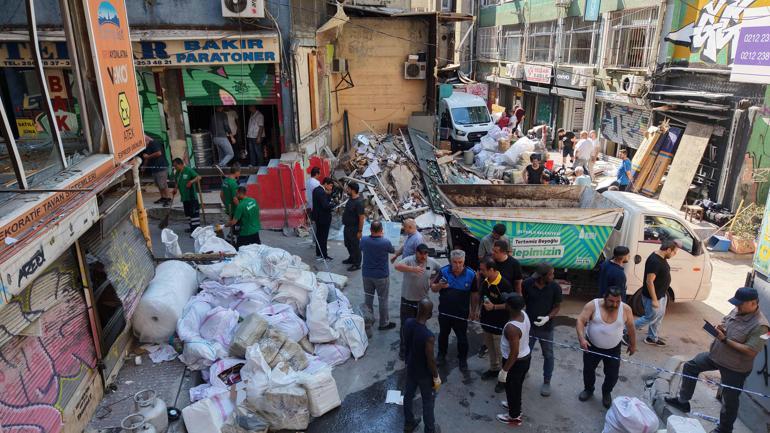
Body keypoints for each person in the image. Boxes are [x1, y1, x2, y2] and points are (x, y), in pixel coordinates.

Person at [665, 287, 769, 433]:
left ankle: (724, 429)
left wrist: (725, 339)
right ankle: (683, 401)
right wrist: (721, 327)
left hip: (735, 368)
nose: (736, 307)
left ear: (753, 303)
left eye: (740, 304)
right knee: (691, 366)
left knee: (729, 400)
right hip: (717, 356)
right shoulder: (738, 310)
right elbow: (726, 321)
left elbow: (751, 351)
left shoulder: (762, 326)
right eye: (736, 303)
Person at [576, 287, 637, 408]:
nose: (614, 305)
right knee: (588, 371)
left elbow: (631, 327)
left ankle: (606, 392)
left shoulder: (625, 309)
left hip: (613, 348)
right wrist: (581, 339)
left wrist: (633, 344)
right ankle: (588, 389)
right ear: (605, 298)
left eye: (617, 302)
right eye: (611, 301)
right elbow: (580, 320)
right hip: (592, 346)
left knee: (612, 374)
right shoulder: (593, 305)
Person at [432, 250, 478, 371]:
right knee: (443, 335)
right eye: (455, 262)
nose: (457, 265)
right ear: (450, 261)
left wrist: (473, 311)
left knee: (462, 338)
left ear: (464, 261)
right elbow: (433, 288)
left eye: (460, 262)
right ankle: (441, 355)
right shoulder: (443, 271)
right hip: (444, 313)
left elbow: (474, 294)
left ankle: (462, 359)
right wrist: (440, 286)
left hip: (461, 314)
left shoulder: (471, 274)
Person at [522, 263, 562, 397]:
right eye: (551, 274)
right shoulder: (527, 284)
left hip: (546, 328)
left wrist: (548, 317)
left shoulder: (555, 287)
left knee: (548, 355)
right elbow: (522, 301)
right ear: (542, 276)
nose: (553, 276)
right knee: (525, 353)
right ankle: (523, 372)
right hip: (529, 327)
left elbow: (557, 306)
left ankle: (546, 381)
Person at [395, 244, 441, 360]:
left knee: (421, 326)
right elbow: (397, 266)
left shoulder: (431, 262)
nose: (424, 256)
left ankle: (418, 347)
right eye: (421, 253)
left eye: (426, 253)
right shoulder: (409, 260)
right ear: (416, 252)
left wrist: (433, 280)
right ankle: (404, 349)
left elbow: (441, 271)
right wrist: (412, 269)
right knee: (405, 326)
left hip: (423, 301)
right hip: (407, 299)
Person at [403, 298, 441, 433]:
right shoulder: (428, 336)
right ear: (430, 315)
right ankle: (430, 430)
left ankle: (409, 423)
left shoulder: (408, 323)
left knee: (408, 395)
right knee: (428, 401)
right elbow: (430, 360)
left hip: (411, 368)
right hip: (424, 374)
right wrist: (436, 376)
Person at [478, 257, 515, 392]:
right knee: (491, 349)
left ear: (492, 269)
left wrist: (494, 307)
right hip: (486, 323)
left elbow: (510, 305)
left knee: (501, 353)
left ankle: (504, 379)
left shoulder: (504, 285)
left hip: (500, 325)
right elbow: (482, 297)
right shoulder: (485, 282)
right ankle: (494, 369)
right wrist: (478, 311)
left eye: (483, 270)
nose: (480, 272)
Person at [634, 239, 680, 346]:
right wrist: (654, 300)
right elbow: (649, 281)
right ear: (668, 250)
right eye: (674, 252)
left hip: (661, 295)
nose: (674, 255)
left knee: (658, 318)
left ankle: (652, 337)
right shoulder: (655, 261)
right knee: (649, 317)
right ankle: (624, 331)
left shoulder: (661, 256)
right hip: (653, 297)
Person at [496, 293, 531, 427]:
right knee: (515, 387)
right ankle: (514, 406)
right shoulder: (523, 313)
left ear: (509, 307)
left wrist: (505, 370)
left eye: (506, 303)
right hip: (525, 357)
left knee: (512, 388)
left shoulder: (511, 328)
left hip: (515, 362)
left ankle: (514, 417)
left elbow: (514, 352)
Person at [360, 220, 396, 331]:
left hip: (367, 274)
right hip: (381, 275)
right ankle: (383, 323)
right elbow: (392, 250)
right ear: (381, 230)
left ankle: (369, 322)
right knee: (383, 299)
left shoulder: (364, 240)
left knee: (368, 299)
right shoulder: (385, 242)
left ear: (370, 230)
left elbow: (361, 248)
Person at [172, 158, 201, 233]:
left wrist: (191, 181)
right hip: (184, 197)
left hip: (191, 196)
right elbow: (177, 182)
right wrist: (175, 189)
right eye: (174, 166)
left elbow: (198, 177)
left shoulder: (188, 170)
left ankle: (196, 230)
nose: (175, 167)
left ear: (180, 164)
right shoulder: (177, 173)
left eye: (176, 166)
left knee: (194, 213)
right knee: (188, 213)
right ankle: (192, 228)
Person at [142, 134, 171, 206]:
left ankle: (168, 198)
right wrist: (144, 166)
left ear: (146, 139)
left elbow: (159, 153)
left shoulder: (153, 143)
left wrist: (148, 156)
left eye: (144, 142)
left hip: (161, 167)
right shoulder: (148, 146)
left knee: (163, 184)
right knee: (158, 184)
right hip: (154, 168)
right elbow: (146, 157)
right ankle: (163, 197)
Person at [342, 182, 366, 271]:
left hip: (354, 228)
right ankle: (351, 258)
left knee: (355, 246)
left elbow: (361, 218)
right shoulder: (350, 199)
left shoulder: (359, 202)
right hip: (347, 227)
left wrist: (360, 231)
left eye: (348, 189)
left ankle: (357, 264)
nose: (347, 190)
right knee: (348, 244)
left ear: (352, 190)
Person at [312, 177, 334, 261]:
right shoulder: (322, 192)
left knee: (319, 235)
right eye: (330, 185)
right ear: (325, 184)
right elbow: (325, 205)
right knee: (323, 237)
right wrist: (333, 204)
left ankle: (319, 252)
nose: (331, 188)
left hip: (317, 217)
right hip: (324, 217)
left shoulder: (316, 190)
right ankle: (324, 255)